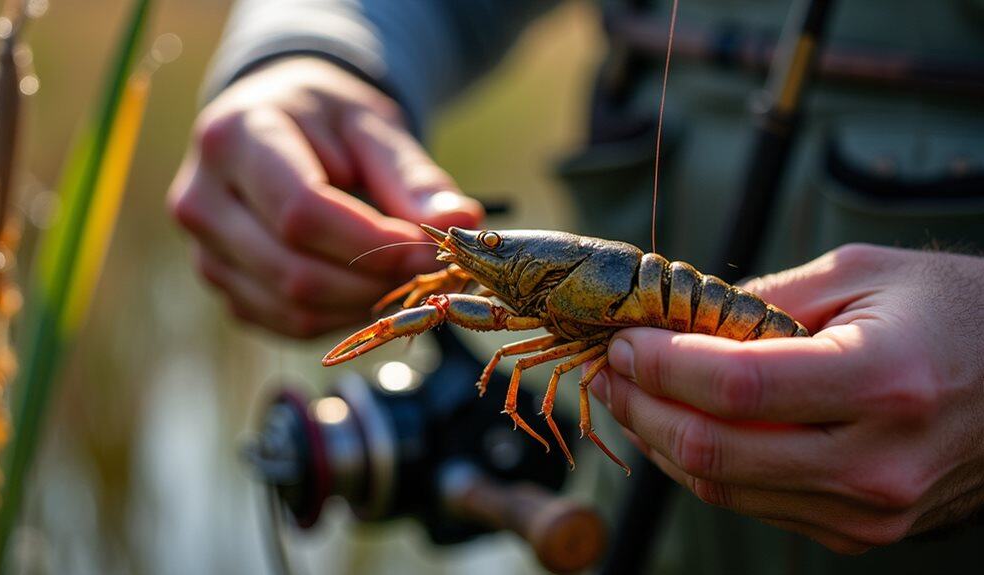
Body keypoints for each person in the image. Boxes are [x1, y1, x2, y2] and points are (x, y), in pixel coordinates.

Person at [168, 0, 984, 572]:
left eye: (487, 247)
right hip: (626, 535)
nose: (470, 253)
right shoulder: (510, 284)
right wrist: (308, 51)